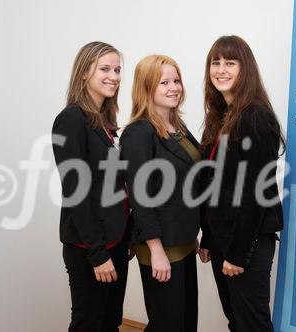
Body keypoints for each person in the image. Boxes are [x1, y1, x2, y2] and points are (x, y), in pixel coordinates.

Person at [198, 35, 285, 332]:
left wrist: (237, 253)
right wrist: (208, 237)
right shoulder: (220, 116)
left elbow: (255, 193)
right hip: (224, 238)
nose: (221, 69)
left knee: (252, 325)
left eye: (230, 63)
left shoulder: (255, 116)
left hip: (248, 242)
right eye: (215, 62)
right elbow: (214, 184)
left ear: (244, 68)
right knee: (236, 321)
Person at [52, 41, 130, 332]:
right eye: (105, 69)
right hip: (90, 246)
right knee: (89, 324)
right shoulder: (71, 120)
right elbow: (76, 191)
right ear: (84, 73)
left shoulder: (106, 124)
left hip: (116, 241)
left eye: (118, 70)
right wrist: (98, 254)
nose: (114, 76)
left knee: (111, 322)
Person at [120, 55, 201, 332]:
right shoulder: (139, 132)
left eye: (176, 80)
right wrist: (156, 251)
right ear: (146, 88)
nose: (173, 87)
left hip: (183, 240)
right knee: (167, 324)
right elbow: (140, 197)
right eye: (163, 82)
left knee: (186, 320)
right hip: (160, 245)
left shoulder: (178, 127)